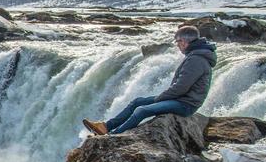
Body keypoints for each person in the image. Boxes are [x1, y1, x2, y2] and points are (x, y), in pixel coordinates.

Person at [83, 26, 217, 135]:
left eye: (178, 42)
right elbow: (181, 88)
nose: (178, 46)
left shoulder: (196, 60)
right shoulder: (195, 56)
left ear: (184, 42)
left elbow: (181, 87)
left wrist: (161, 98)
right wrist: (162, 97)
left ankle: (114, 135)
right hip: (180, 99)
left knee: (142, 110)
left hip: (186, 104)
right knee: (137, 102)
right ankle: (105, 126)